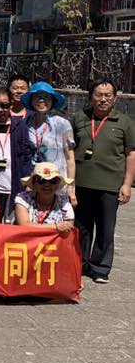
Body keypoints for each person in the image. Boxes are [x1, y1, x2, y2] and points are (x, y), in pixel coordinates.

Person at [72, 78, 135, 283]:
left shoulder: (124, 122)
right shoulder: (79, 118)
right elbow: (69, 150)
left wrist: (127, 184)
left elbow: (131, 154)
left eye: (108, 95)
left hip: (110, 184)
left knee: (105, 229)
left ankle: (100, 268)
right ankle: (79, 264)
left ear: (115, 98)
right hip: (82, 182)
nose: (103, 99)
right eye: (98, 94)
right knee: (81, 227)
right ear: (91, 96)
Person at [0, 87, 34, 223]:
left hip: (14, 185)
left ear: (11, 104)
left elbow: (26, 156)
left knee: (10, 226)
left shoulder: (20, 126)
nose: (1, 109)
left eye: (4, 105)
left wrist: (28, 182)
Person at [22, 81, 76, 204]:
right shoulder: (25, 124)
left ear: (52, 101)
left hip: (56, 184)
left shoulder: (62, 124)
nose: (41, 100)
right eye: (37, 97)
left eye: (46, 97)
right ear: (31, 100)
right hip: (33, 184)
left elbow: (70, 158)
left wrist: (71, 187)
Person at [15, 162, 75, 234]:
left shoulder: (65, 203)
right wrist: (55, 226)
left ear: (57, 184)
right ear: (34, 183)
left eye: (53, 181)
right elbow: (24, 225)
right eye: (41, 180)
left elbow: (68, 229)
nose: (47, 184)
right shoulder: (23, 199)